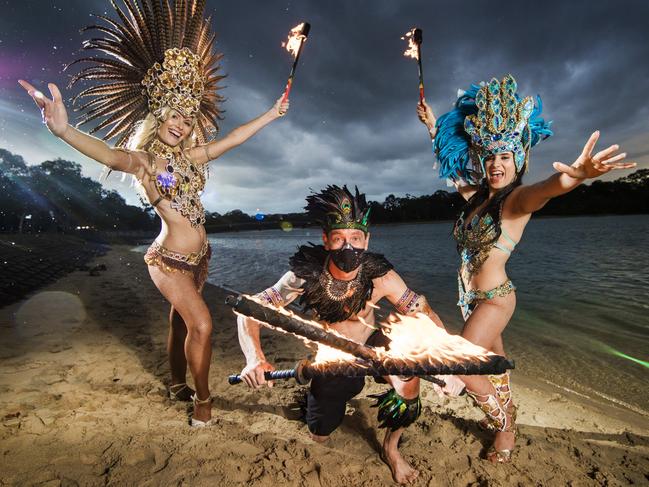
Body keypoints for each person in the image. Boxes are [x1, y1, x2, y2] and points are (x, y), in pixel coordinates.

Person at [19, 0, 289, 427]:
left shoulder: (193, 157)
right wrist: (63, 130)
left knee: (181, 325)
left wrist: (271, 114)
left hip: (202, 259)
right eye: (175, 115)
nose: (182, 123)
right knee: (201, 324)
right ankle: (203, 402)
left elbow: (235, 138)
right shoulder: (143, 160)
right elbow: (106, 152)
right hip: (167, 262)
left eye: (188, 117)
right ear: (160, 113)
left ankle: (177, 383)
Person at [417, 74, 636, 462]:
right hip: (471, 299)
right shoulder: (478, 199)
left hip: (496, 301)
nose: (496, 164)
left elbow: (548, 187)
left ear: (518, 158)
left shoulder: (516, 201)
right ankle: (503, 411)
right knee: (495, 368)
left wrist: (576, 176)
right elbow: (454, 175)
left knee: (462, 368)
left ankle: (505, 428)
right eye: (489, 157)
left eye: (504, 156)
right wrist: (434, 125)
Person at [237, 185, 466, 484]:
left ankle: (391, 449)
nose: (349, 247)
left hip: (372, 344)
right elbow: (248, 309)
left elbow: (423, 311)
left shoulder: (381, 276)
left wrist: (445, 361)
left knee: (410, 377)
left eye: (356, 238)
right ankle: (316, 397)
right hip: (334, 356)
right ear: (326, 240)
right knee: (318, 435)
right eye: (339, 238)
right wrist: (254, 358)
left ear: (367, 239)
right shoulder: (304, 276)